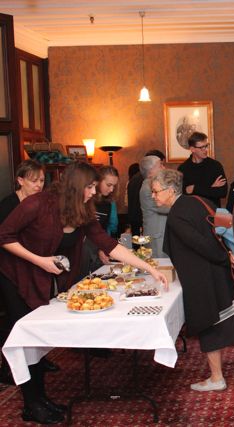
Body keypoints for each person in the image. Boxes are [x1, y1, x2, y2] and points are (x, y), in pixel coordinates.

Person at [0, 161, 168, 424]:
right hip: (15, 274)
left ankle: (39, 399)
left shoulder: (83, 210)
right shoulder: (38, 204)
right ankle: (31, 404)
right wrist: (38, 260)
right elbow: (4, 235)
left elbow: (108, 245)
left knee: (37, 339)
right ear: (76, 185)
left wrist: (148, 267)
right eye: (89, 186)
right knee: (27, 338)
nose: (93, 192)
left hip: (43, 274)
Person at [152, 169, 234, 392]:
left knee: (209, 326)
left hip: (203, 280)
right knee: (231, 325)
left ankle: (217, 378)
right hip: (221, 276)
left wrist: (223, 257)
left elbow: (200, 245)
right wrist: (228, 256)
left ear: (170, 190)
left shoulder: (177, 215)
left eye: (156, 192)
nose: (154, 196)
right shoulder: (198, 200)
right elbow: (224, 221)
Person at [0, 160, 48, 384]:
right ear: (20, 181)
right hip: (8, 268)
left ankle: (37, 359)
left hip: (30, 266)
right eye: (33, 180)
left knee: (34, 314)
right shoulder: (8, 205)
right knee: (15, 316)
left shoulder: (39, 202)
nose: (39, 185)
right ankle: (10, 367)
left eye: (41, 180)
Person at [80, 165, 120, 278]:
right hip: (82, 250)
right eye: (108, 185)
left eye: (114, 186)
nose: (111, 189)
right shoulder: (86, 200)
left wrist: (101, 248)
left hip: (96, 248)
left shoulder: (108, 203)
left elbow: (103, 229)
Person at [178, 132, 227, 207]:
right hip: (192, 213)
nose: (205, 150)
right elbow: (181, 195)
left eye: (206, 146)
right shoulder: (183, 168)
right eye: (201, 147)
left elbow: (222, 192)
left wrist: (194, 188)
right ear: (192, 149)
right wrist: (211, 187)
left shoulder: (215, 165)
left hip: (212, 212)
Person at [127, 150, 164, 237]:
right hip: (143, 222)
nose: (163, 168)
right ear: (151, 168)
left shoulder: (134, 179)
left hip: (136, 220)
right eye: (160, 165)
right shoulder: (149, 184)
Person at [139, 155, 169, 258]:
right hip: (156, 237)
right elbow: (165, 208)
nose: (163, 168)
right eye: (160, 165)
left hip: (160, 235)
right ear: (151, 170)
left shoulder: (153, 185)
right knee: (160, 267)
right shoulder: (148, 188)